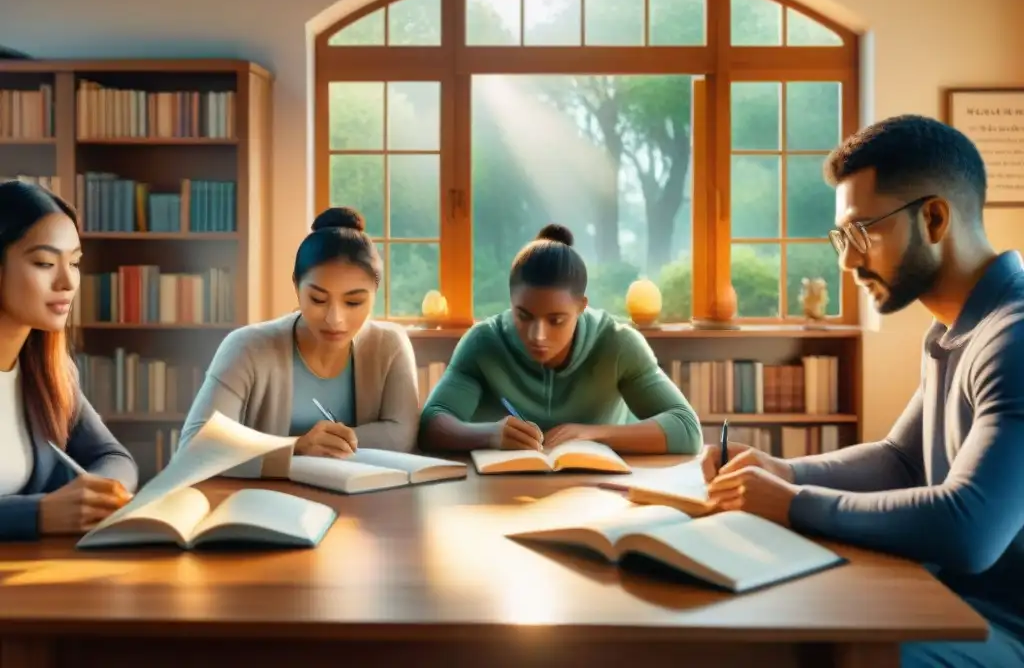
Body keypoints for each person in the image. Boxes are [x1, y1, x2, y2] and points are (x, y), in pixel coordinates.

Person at [698, 115, 1024, 666]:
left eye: (861, 232)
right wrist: (786, 472)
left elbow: (970, 529)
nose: (847, 260)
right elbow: (900, 460)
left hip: (999, 629)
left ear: (935, 218)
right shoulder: (953, 328)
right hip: (944, 598)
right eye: (841, 238)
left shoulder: (1014, 337)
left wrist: (794, 504)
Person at [419, 224, 702, 455]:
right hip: (499, 494)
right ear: (511, 302)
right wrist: (488, 434)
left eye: (556, 320)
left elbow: (687, 429)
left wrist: (592, 434)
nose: (538, 335)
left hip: (598, 493)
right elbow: (431, 423)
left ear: (581, 307)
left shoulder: (619, 344)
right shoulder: (483, 343)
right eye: (524, 316)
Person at [179, 207, 420, 457]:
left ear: (375, 294)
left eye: (353, 302)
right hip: (265, 495)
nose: (334, 319)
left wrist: (328, 443)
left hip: (362, 494)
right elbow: (196, 445)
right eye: (317, 299)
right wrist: (298, 446)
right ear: (296, 286)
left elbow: (402, 436)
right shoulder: (246, 347)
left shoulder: (390, 344)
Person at [0, 181, 137, 541]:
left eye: (74, 262)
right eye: (45, 263)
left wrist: (101, 493)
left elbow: (113, 456)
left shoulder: (49, 370)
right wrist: (39, 513)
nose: (67, 282)